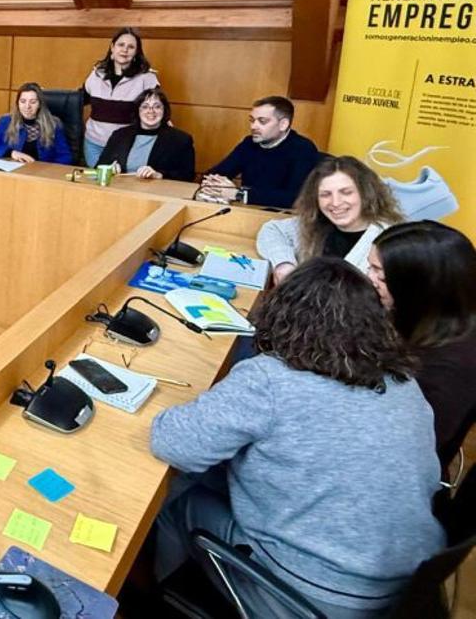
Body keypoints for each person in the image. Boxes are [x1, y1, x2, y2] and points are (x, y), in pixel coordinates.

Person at [151, 257, 443, 618]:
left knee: (176, 499)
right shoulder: (402, 380)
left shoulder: (270, 379)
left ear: (283, 313)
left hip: (315, 595)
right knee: (219, 467)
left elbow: (173, 443)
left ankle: (157, 602)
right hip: (406, 584)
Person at [369, 221, 476, 470]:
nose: (369, 278)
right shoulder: (409, 312)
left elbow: (406, 451)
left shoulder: (455, 366)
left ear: (416, 285)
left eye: (379, 274)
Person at [257, 155, 402, 284]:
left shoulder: (389, 239)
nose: (336, 202)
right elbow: (272, 230)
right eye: (326, 194)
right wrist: (284, 264)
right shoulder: (317, 224)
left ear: (366, 193)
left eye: (346, 192)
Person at [201, 96, 320, 209]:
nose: (253, 126)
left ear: (283, 124)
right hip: (246, 210)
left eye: (262, 121)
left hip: (280, 218)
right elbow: (217, 173)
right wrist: (212, 182)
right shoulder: (249, 143)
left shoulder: (303, 149)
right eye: (252, 120)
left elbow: (296, 198)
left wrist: (239, 194)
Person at [81, 28, 159, 167]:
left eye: (131, 47)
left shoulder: (146, 78)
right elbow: (78, 99)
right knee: (97, 183)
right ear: (112, 47)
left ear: (136, 52)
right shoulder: (96, 74)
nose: (125, 50)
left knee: (118, 183)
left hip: (125, 145)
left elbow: (158, 108)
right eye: (121, 45)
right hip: (93, 143)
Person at [96, 87, 194, 181]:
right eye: (145, 106)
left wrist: (159, 175)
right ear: (138, 111)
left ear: (164, 110)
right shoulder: (119, 135)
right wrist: (110, 168)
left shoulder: (181, 140)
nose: (151, 111)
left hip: (156, 194)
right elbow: (99, 166)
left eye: (157, 106)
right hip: (121, 191)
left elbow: (187, 175)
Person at [0, 82, 73, 164]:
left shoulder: (54, 124)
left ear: (39, 104)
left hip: (42, 176)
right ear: (17, 103)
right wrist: (11, 153)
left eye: (33, 102)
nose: (27, 106)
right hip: (16, 174)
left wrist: (47, 170)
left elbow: (65, 156)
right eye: (23, 101)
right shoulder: (7, 122)